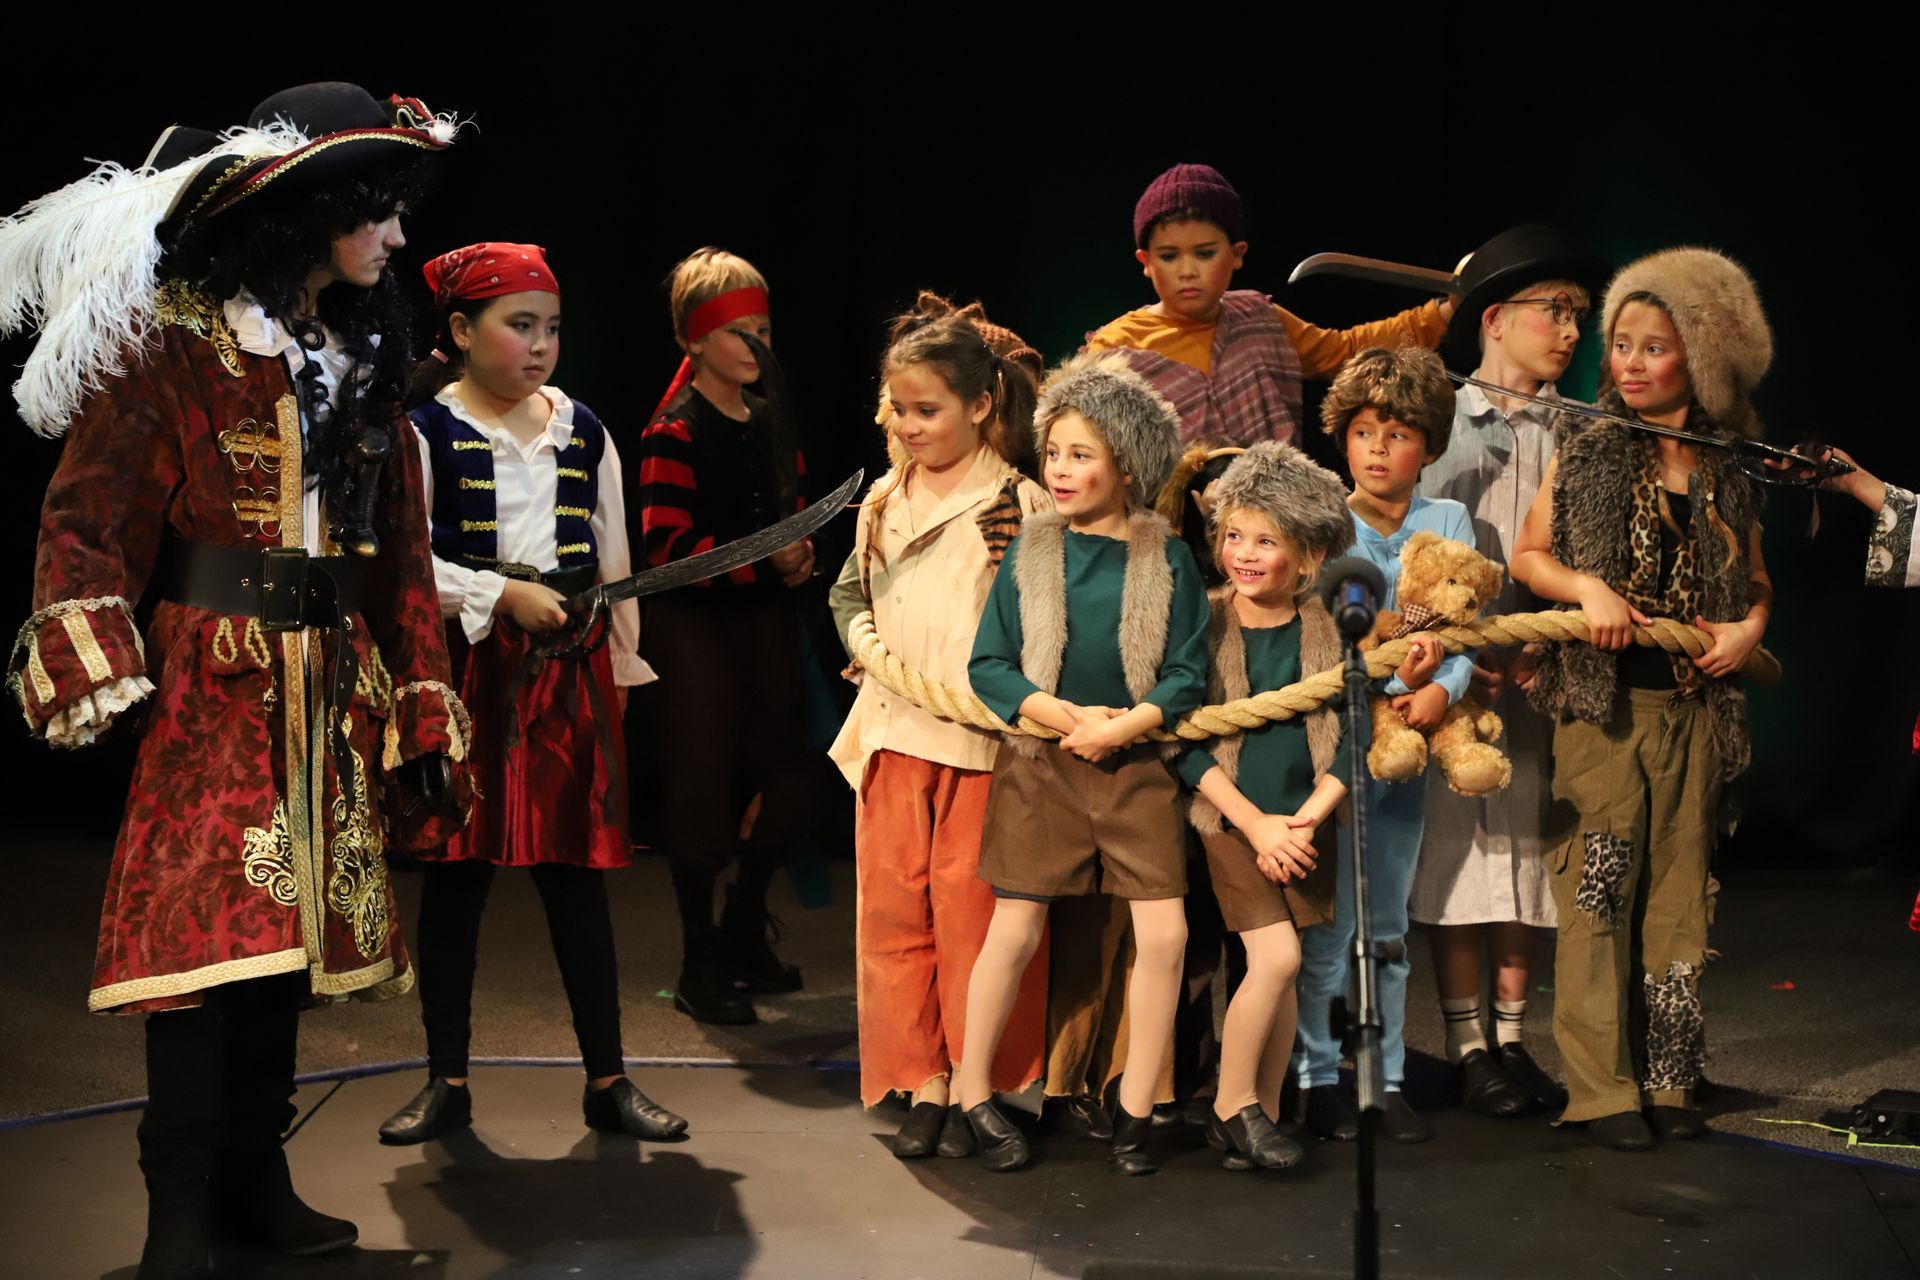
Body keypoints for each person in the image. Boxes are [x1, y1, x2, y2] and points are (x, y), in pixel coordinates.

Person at [2, 83, 470, 1278]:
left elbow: (399, 548)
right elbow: (93, 499)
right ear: (310, 211)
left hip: (329, 680)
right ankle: (178, 1215)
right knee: (203, 949)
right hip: (216, 676)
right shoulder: (181, 343)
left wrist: (417, 680)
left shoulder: (364, 357)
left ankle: (258, 1181)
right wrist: (85, 633)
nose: (397, 239)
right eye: (377, 212)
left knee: (286, 954)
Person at [376, 242, 688, 1148]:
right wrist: (496, 593)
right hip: (471, 673)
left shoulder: (581, 430)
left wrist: (621, 673)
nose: (541, 346)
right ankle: (447, 1078)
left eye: (551, 328)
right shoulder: (426, 431)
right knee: (457, 882)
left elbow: (613, 553)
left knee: (576, 881)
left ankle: (608, 1077)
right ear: (463, 333)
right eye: (521, 327)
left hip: (568, 673)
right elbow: (402, 567)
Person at [1511, 247, 1775, 1151]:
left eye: (1650, 348)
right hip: (1605, 711)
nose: (1626, 362)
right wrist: (1584, 589)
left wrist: (1745, 631)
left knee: (1678, 903)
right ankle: (1601, 1090)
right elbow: (1528, 556)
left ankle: (1669, 1078)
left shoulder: (1728, 467)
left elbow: (1758, 583)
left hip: (1693, 714)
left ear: (1696, 362)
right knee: (1596, 890)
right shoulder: (1589, 451)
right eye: (1619, 345)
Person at [955, 352, 1210, 1176]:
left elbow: (1185, 670)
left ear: (1127, 466)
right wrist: (1065, 719)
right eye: (1054, 452)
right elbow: (990, 665)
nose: (1060, 471)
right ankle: (971, 1095)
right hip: (1043, 766)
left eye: (1081, 455)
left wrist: (1125, 726)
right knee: (1016, 927)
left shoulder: (1165, 558)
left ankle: (1135, 1107)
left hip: (1134, 769)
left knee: (1164, 933)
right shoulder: (1033, 552)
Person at [826, 293, 1050, 1157]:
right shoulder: (884, 497)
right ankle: (922, 1077)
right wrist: (863, 644)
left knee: (975, 919)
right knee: (893, 917)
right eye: (902, 410)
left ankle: (980, 1080)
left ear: (982, 405)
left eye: (930, 410)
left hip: (979, 745)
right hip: (890, 734)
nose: (911, 427)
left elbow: (1038, 628)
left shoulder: (1016, 506)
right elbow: (853, 594)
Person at [1410, 227, 1608, 1117]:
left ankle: (1515, 1036)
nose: (1571, 330)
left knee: (1529, 847)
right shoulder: (1442, 419)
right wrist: (1462, 653)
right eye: (1554, 311)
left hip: (1543, 672)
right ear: (1496, 318)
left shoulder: (1587, 430)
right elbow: (1413, 549)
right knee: (1461, 854)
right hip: (1456, 673)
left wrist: (1540, 645)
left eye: (1579, 315)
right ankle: (1466, 1042)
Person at [1295, 346, 1471, 1146]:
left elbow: (1465, 629)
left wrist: (1445, 689)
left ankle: (1383, 1078)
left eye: (1396, 433)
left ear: (1428, 446)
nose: (1376, 448)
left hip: (1408, 756)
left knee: (1387, 925)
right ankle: (1315, 1077)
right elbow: (1319, 630)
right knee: (1329, 926)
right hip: (1337, 748)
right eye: (1363, 430)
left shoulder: (1449, 524)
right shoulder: (1325, 524)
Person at [633, 247, 814, 1025]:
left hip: (767, 624)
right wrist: (762, 564)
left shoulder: (772, 421)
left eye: (764, 329)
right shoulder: (672, 433)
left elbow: (794, 506)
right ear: (693, 341)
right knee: (703, 790)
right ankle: (699, 956)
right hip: (698, 633)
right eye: (737, 332)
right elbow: (666, 553)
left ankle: (744, 925)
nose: (755, 346)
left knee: (792, 776)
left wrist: (801, 556)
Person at [1174, 441, 1353, 1169]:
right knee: (1273, 958)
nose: (1244, 554)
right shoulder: (1207, 621)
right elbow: (1183, 743)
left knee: (1288, 968)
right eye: (1233, 535)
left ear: (1308, 557)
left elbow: (1361, 734)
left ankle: (1267, 1112)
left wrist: (1309, 816)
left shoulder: (1332, 627)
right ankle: (1230, 1105)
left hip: (1305, 822)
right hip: (1232, 821)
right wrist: (1255, 824)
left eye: (1266, 541)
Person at [1085, 162, 1454, 445]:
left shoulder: (1259, 319)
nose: (1187, 271)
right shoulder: (1117, 349)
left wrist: (1444, 312)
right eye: (1169, 256)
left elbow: (1346, 350)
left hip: (1272, 529)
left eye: (1204, 253)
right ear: (1145, 263)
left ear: (1237, 254)